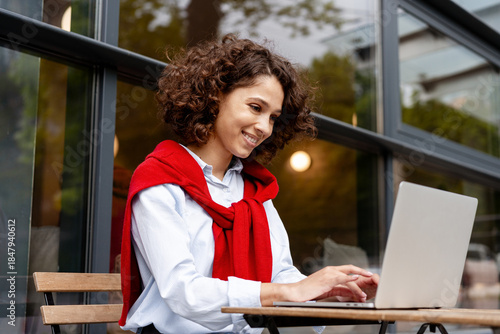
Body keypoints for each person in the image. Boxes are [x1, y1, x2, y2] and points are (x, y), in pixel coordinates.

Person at [119, 34, 379, 334]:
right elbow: (184, 292)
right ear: (215, 96)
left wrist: (330, 291)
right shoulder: (159, 182)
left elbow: (280, 275)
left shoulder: (255, 191)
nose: (265, 127)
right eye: (256, 108)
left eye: (273, 117)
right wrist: (287, 293)